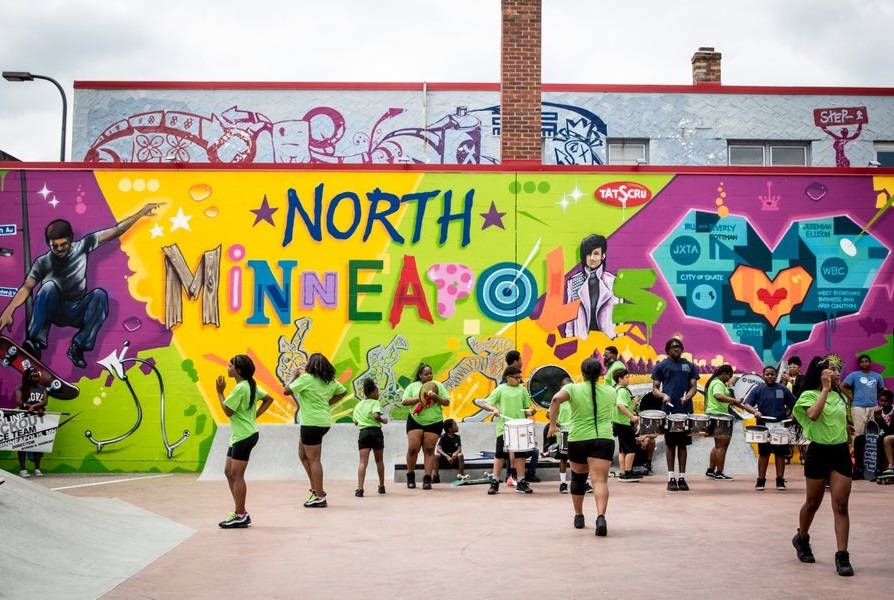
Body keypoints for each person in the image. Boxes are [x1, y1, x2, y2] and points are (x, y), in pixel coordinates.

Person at [0, 204, 162, 368]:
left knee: (99, 295)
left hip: (77, 309)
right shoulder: (43, 262)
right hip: (55, 310)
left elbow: (117, 230)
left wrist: (141, 213)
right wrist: (9, 310)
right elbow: (27, 287)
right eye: (54, 246)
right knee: (48, 287)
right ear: (49, 244)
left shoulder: (84, 245)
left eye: (63, 244)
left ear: (71, 239)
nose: (59, 249)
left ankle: (78, 346)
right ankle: (34, 343)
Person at [792, 355, 854, 576]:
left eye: (838, 370)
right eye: (833, 370)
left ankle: (842, 556)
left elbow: (840, 420)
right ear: (822, 374)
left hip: (840, 453)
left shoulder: (840, 396)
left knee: (841, 505)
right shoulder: (809, 395)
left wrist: (847, 432)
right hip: (818, 453)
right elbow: (814, 416)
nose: (838, 373)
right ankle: (802, 539)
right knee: (812, 504)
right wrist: (826, 390)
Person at [549, 357, 615, 536]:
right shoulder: (610, 391)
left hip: (578, 439)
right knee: (600, 480)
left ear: (582, 372)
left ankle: (579, 516)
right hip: (603, 439)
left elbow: (555, 400)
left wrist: (553, 425)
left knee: (578, 479)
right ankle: (601, 517)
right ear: (601, 373)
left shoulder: (572, 388)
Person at [215, 354, 273, 528]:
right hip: (240, 435)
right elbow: (269, 399)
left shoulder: (241, 387)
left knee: (237, 475)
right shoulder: (250, 385)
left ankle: (240, 514)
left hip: (244, 436)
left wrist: (219, 392)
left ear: (238, 370)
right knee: (228, 471)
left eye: (230, 365)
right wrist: (252, 417)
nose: (228, 367)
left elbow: (227, 411)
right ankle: (240, 511)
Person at [284, 352, 347, 508]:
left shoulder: (306, 379)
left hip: (311, 423)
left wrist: (293, 376)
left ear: (310, 366)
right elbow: (343, 391)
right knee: (302, 453)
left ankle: (319, 496)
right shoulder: (330, 381)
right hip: (323, 422)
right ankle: (316, 488)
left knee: (314, 459)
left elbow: (286, 390)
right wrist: (327, 404)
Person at [481, 365, 537, 494]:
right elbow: (485, 403)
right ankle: (494, 482)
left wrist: (531, 411)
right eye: (516, 377)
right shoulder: (500, 389)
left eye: (520, 377)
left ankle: (521, 482)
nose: (519, 379)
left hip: (520, 427)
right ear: (508, 377)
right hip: (504, 427)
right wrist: (494, 409)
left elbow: (526, 409)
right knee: (500, 455)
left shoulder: (522, 390)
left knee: (520, 455)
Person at [652, 337, 697, 491]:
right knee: (670, 445)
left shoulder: (689, 365)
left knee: (683, 445)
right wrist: (663, 396)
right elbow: (655, 389)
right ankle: (671, 478)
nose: (676, 348)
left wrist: (688, 397)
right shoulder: (661, 366)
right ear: (667, 350)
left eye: (678, 346)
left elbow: (693, 387)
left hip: (685, 410)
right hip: (669, 411)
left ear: (682, 349)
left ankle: (682, 478)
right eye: (673, 347)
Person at [743, 365, 798, 490]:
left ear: (776, 375)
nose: (770, 376)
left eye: (772, 374)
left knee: (780, 454)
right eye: (767, 374)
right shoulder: (758, 389)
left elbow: (795, 403)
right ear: (763, 376)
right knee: (764, 454)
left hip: (780, 426)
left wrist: (793, 415)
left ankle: (780, 481)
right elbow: (747, 404)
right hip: (763, 426)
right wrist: (755, 412)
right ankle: (761, 481)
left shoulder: (782, 389)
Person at [400, 363, 450, 490]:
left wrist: (435, 397)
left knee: (429, 449)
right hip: (415, 420)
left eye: (430, 373)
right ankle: (410, 476)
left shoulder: (438, 386)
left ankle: (427, 478)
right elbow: (404, 401)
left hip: (434, 421)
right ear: (420, 375)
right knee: (413, 448)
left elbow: (446, 402)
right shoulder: (412, 386)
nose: (429, 376)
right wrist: (421, 397)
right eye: (426, 374)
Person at [563, 234, 618, 339]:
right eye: (588, 254)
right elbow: (569, 319)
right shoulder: (574, 282)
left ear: (603, 256)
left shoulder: (613, 283)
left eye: (596, 253)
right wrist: (569, 343)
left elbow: (620, 319)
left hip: (608, 344)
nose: (592, 258)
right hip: (582, 345)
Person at [842, 354, 885, 480]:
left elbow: (881, 390)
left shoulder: (877, 376)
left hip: (873, 407)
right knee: (859, 436)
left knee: (872, 437)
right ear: (859, 364)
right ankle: (858, 467)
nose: (864, 363)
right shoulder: (854, 375)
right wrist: (852, 397)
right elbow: (842, 386)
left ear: (870, 363)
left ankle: (871, 467)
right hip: (858, 407)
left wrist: (875, 399)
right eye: (862, 362)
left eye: (866, 361)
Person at [501, 350, 540, 483]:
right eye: (521, 359)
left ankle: (519, 477)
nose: (522, 362)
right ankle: (511, 475)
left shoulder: (518, 384)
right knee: (513, 449)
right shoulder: (505, 383)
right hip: (512, 423)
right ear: (515, 361)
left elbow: (524, 404)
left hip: (521, 422)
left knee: (520, 451)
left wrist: (528, 412)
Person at [703, 364, 743, 481]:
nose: (729, 379)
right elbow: (718, 396)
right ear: (724, 374)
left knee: (718, 445)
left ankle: (711, 470)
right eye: (729, 377)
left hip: (715, 414)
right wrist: (735, 400)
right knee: (723, 445)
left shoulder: (716, 382)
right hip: (720, 416)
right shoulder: (717, 383)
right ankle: (719, 472)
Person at [353, 378, 388, 497]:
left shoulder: (358, 405)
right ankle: (382, 486)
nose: (378, 394)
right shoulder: (375, 403)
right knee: (379, 460)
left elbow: (356, 422)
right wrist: (383, 421)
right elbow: (375, 415)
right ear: (373, 392)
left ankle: (360, 489)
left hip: (363, 433)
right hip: (375, 432)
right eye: (378, 392)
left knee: (363, 462)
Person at [15, 367, 48, 477]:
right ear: (29, 377)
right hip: (24, 419)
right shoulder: (21, 387)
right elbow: (19, 401)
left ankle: (37, 469)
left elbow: (45, 401)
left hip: (38, 419)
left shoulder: (42, 388)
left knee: (37, 444)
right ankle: (23, 469)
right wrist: (31, 407)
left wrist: (35, 407)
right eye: (34, 376)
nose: (37, 378)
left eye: (38, 376)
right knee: (22, 444)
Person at [611, 368, 641, 482]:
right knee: (631, 449)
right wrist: (632, 417)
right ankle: (628, 473)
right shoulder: (622, 391)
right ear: (620, 379)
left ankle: (623, 472)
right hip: (624, 422)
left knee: (623, 450)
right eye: (627, 377)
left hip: (618, 422)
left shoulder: (616, 389)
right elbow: (620, 405)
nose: (629, 379)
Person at [874, 389, 894, 474]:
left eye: (886, 401)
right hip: (881, 434)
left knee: (881, 439)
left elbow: (890, 432)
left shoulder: (893, 412)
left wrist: (879, 418)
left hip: (890, 435)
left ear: (891, 402)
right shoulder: (877, 411)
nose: (883, 403)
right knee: (859, 439)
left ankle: (879, 468)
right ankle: (859, 469)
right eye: (881, 400)